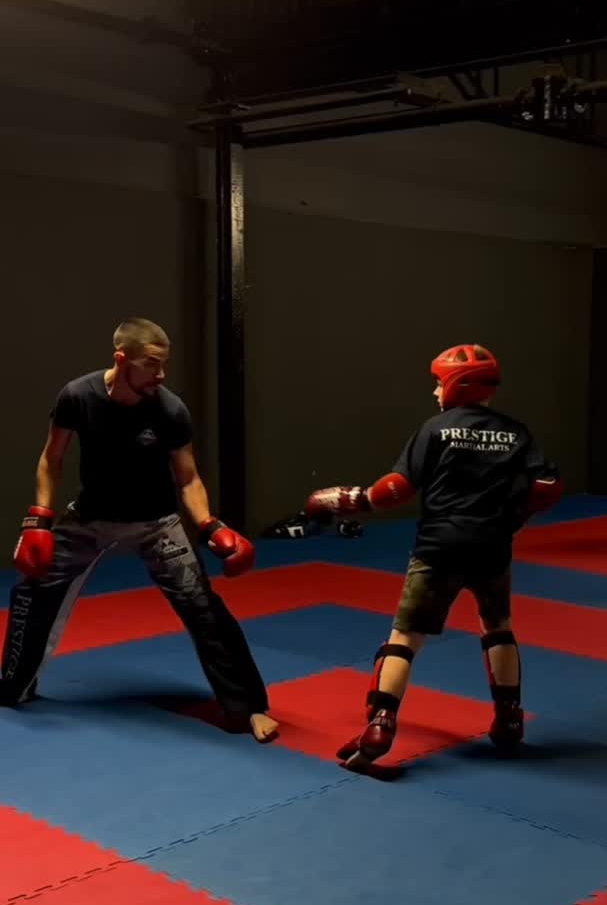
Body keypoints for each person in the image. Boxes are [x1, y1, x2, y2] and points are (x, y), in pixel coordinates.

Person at [1, 318, 278, 743]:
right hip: (90, 517)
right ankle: (13, 686)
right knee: (32, 590)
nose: (161, 375)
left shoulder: (169, 410)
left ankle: (250, 706)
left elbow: (187, 478)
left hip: (155, 523)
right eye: (152, 365)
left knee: (202, 605)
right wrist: (39, 515)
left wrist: (208, 524)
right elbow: (51, 457)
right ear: (121, 359)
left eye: (164, 365)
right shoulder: (77, 396)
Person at [305, 343, 563, 768]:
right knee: (497, 627)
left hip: (438, 546)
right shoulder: (517, 433)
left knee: (404, 636)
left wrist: (348, 499)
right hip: (493, 546)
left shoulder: (436, 429)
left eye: (437, 383)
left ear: (455, 385)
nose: (434, 392)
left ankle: (380, 723)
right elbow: (548, 486)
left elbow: (396, 490)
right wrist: (515, 517)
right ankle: (510, 719)